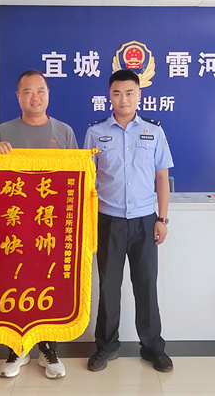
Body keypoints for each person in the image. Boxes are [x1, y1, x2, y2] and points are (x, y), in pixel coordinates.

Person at [0, 69, 77, 379]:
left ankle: (48, 350)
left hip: (51, 229)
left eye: (40, 90)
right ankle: (17, 348)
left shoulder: (64, 132)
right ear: (18, 96)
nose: (34, 97)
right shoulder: (2, 132)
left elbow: (79, 180)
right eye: (27, 91)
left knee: (50, 283)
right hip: (13, 230)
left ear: (48, 94)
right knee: (14, 283)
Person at [83, 69, 174, 373]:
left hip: (145, 221)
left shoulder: (153, 131)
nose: (124, 99)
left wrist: (162, 218)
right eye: (117, 93)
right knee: (108, 287)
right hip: (108, 221)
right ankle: (106, 347)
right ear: (109, 96)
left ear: (139, 95)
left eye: (130, 93)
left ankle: (153, 348)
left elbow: (162, 178)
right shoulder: (95, 132)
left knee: (146, 285)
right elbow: (86, 180)